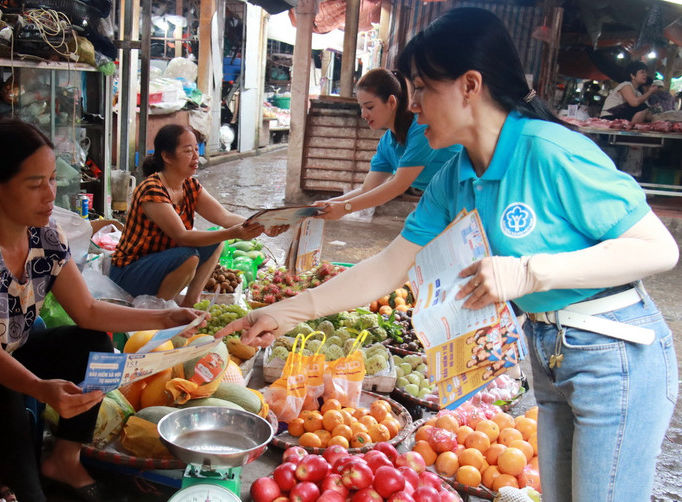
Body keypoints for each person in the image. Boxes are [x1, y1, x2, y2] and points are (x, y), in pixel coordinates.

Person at [216, 8, 678, 502]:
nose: (412, 107)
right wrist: (285, 311)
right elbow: (389, 266)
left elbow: (658, 249)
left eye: (421, 89)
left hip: (614, 353)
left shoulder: (550, 152)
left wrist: (529, 271)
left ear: (470, 85)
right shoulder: (455, 177)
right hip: (549, 350)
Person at [0, 119, 205, 502]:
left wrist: (166, 317)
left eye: (53, 179)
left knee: (91, 344)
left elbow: (87, 311)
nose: (50, 194)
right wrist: (40, 388)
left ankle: (64, 460)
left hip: (0, 356)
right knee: (1, 390)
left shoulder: (44, 234)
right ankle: (29, 493)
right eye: (36, 184)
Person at [111, 124, 285, 306]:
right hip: (128, 272)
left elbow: (224, 218)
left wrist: (265, 225)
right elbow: (182, 236)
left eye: (196, 149)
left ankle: (190, 302)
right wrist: (234, 233)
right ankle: (159, 312)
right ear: (167, 156)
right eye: (188, 151)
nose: (196, 157)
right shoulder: (151, 189)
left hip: (161, 263)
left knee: (216, 241)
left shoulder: (189, 186)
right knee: (189, 257)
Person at [314, 68, 460, 220]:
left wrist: (346, 208)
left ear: (391, 102)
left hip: (473, 194)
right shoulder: (387, 143)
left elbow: (399, 185)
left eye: (369, 107)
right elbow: (367, 188)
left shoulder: (422, 127)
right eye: (361, 107)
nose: (363, 114)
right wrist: (328, 204)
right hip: (444, 202)